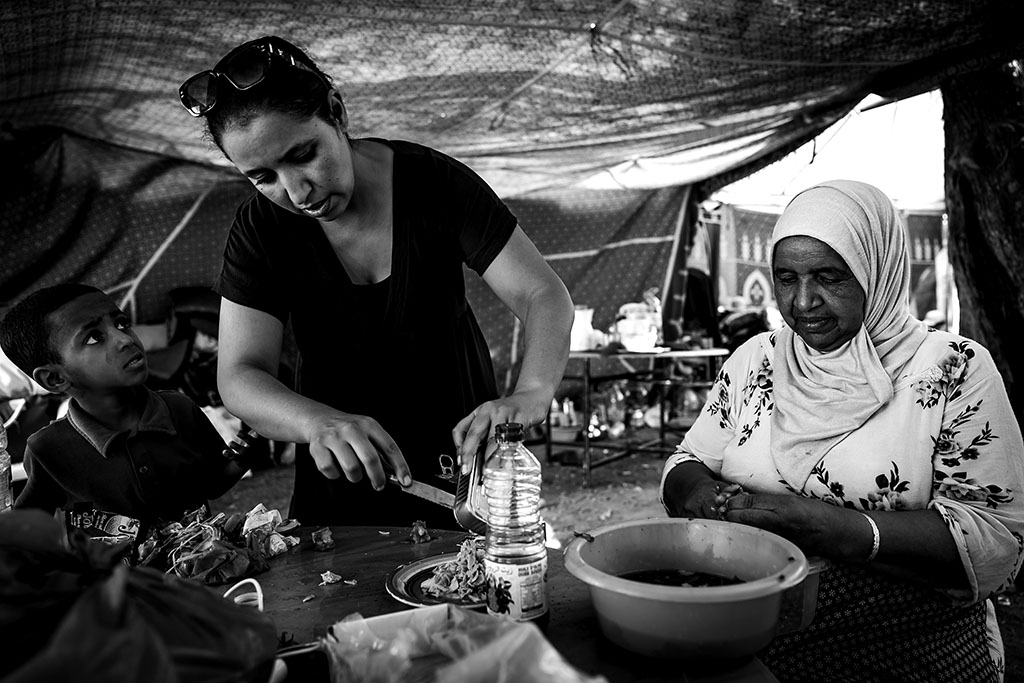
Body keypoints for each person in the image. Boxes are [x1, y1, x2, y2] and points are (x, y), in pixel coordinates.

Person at [177, 36, 573, 527]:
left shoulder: (434, 184)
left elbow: (542, 294)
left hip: (460, 446)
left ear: (337, 112)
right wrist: (316, 422)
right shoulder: (261, 230)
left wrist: (532, 390)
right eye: (263, 177)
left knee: (471, 582)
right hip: (342, 469)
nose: (298, 193)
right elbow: (239, 375)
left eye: (303, 154)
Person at [660, 180, 1024, 682]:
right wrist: (698, 490)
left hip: (908, 645)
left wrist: (826, 527)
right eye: (786, 278)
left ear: (877, 269)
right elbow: (685, 460)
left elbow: (995, 540)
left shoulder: (952, 371)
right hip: (755, 634)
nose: (803, 302)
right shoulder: (756, 361)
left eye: (828, 277)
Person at [0, 284, 252, 548]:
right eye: (94, 338)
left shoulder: (178, 409)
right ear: (55, 378)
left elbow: (211, 484)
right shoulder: (49, 449)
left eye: (121, 323)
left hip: (200, 569)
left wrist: (243, 457)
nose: (126, 339)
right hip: (114, 587)